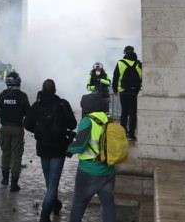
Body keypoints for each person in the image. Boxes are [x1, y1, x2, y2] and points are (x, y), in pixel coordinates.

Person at [24, 79, 78, 222]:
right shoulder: (62, 104)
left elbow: (27, 124)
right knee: (53, 184)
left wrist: (37, 130)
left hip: (43, 148)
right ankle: (45, 214)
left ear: (42, 89)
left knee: (50, 182)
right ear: (55, 89)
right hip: (59, 148)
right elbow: (73, 124)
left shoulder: (37, 105)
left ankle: (53, 206)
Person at [67, 93, 117, 222]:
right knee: (108, 204)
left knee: (79, 203)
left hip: (89, 171)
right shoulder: (108, 119)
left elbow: (80, 145)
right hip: (108, 170)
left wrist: (68, 149)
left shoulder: (87, 121)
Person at [0, 71, 31, 191]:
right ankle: (14, 184)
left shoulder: (1, 95)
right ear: (18, 82)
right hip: (17, 129)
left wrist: (5, 111)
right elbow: (28, 113)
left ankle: (4, 179)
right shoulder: (22, 96)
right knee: (16, 157)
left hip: (4, 128)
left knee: (5, 153)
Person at [112, 45, 143, 141]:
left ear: (125, 52)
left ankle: (123, 132)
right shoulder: (139, 63)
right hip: (134, 92)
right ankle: (131, 134)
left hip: (123, 92)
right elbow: (142, 77)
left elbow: (115, 77)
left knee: (124, 112)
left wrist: (115, 90)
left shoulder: (120, 62)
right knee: (133, 113)